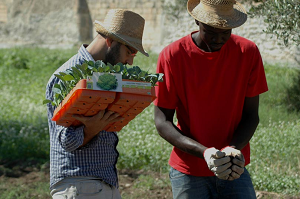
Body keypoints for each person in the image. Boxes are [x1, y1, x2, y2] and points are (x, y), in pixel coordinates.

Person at [154, 0, 268, 198]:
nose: (219, 39)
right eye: (211, 32)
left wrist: (232, 150)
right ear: (198, 22)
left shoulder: (247, 52)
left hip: (233, 167)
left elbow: (251, 115)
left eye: (225, 32)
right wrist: (206, 153)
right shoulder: (173, 56)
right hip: (188, 170)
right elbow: (162, 121)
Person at [45, 9, 148, 199]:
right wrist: (92, 128)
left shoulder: (106, 77)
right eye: (129, 51)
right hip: (79, 185)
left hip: (103, 183)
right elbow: (65, 141)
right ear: (110, 41)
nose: (130, 60)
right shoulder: (68, 76)